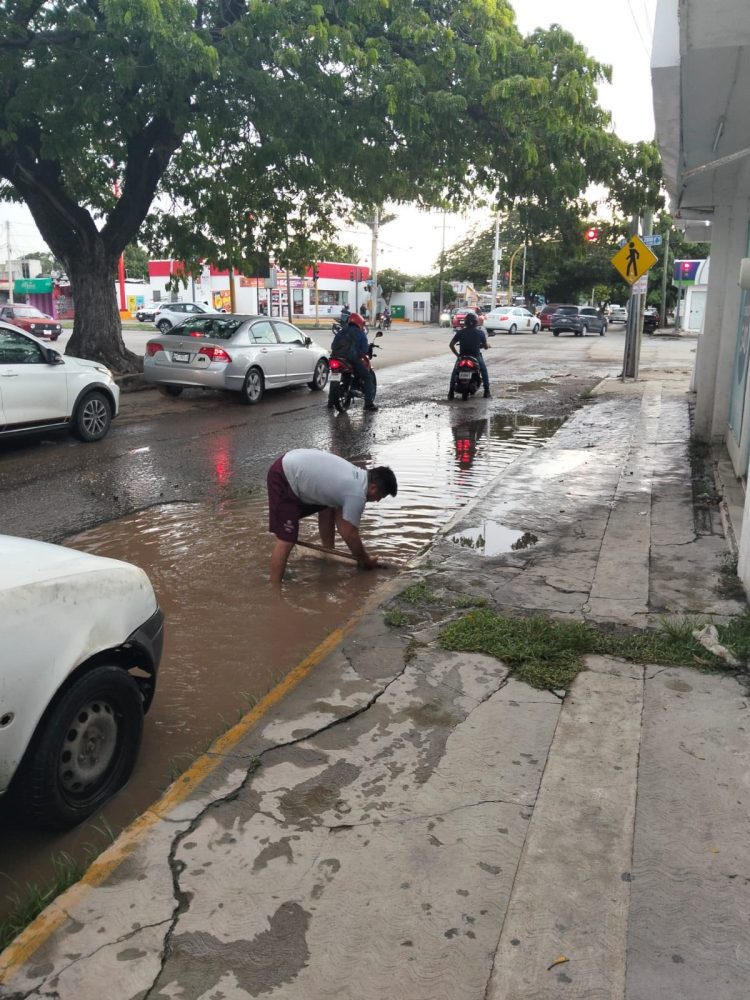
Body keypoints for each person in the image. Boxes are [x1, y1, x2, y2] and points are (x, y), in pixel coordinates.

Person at [267, 449, 398, 585]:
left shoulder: (358, 476)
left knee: (329, 505)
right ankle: (275, 591)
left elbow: (342, 523)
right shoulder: (357, 493)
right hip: (284, 476)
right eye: (380, 497)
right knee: (287, 538)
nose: (377, 501)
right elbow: (350, 534)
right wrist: (366, 560)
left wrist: (359, 556)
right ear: (373, 488)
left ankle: (328, 554)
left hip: (295, 465)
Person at [330, 311, 378, 411]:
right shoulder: (360, 333)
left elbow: (333, 345)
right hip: (351, 358)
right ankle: (368, 404)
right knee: (368, 377)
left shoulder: (341, 331)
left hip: (336, 357)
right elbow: (364, 350)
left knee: (335, 376)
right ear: (359, 322)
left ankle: (330, 402)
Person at [449, 311, 491, 398]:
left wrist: (458, 355)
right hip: (476, 357)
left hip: (462, 357)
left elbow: (451, 345)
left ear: (465, 322)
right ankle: (487, 391)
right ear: (476, 322)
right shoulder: (480, 333)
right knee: (483, 371)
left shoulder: (460, 332)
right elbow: (486, 347)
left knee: (455, 372)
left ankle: (450, 392)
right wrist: (487, 346)